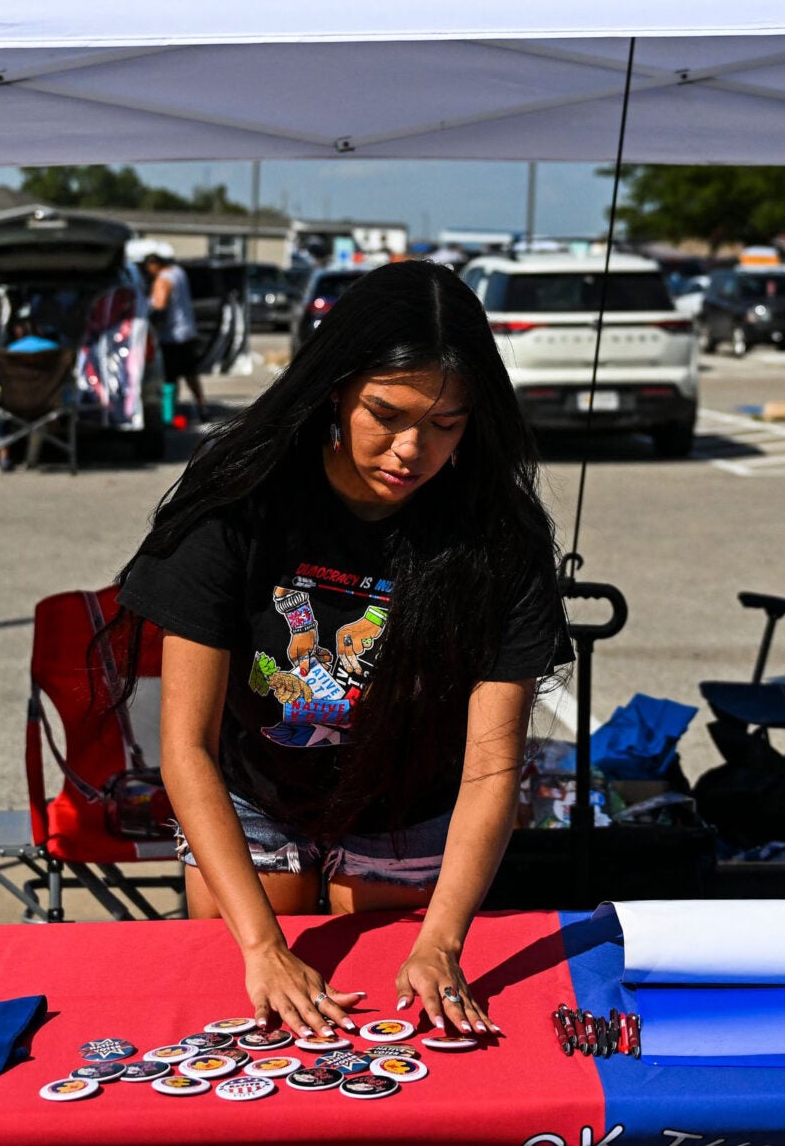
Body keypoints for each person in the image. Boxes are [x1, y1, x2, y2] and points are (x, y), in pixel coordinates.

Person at [114, 261, 566, 1041]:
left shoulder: (499, 535)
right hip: (255, 798)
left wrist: (442, 942)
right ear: (336, 388)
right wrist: (263, 947)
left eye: (447, 423)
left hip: (409, 804)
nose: (411, 449)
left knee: (400, 1016)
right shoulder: (243, 496)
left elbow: (493, 766)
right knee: (258, 1015)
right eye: (385, 413)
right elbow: (186, 746)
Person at [142, 252, 205, 420]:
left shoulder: (163, 279)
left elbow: (159, 305)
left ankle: (168, 414)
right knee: (190, 374)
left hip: (171, 335)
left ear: (154, 264)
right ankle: (201, 406)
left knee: (169, 377)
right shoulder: (179, 272)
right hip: (187, 332)